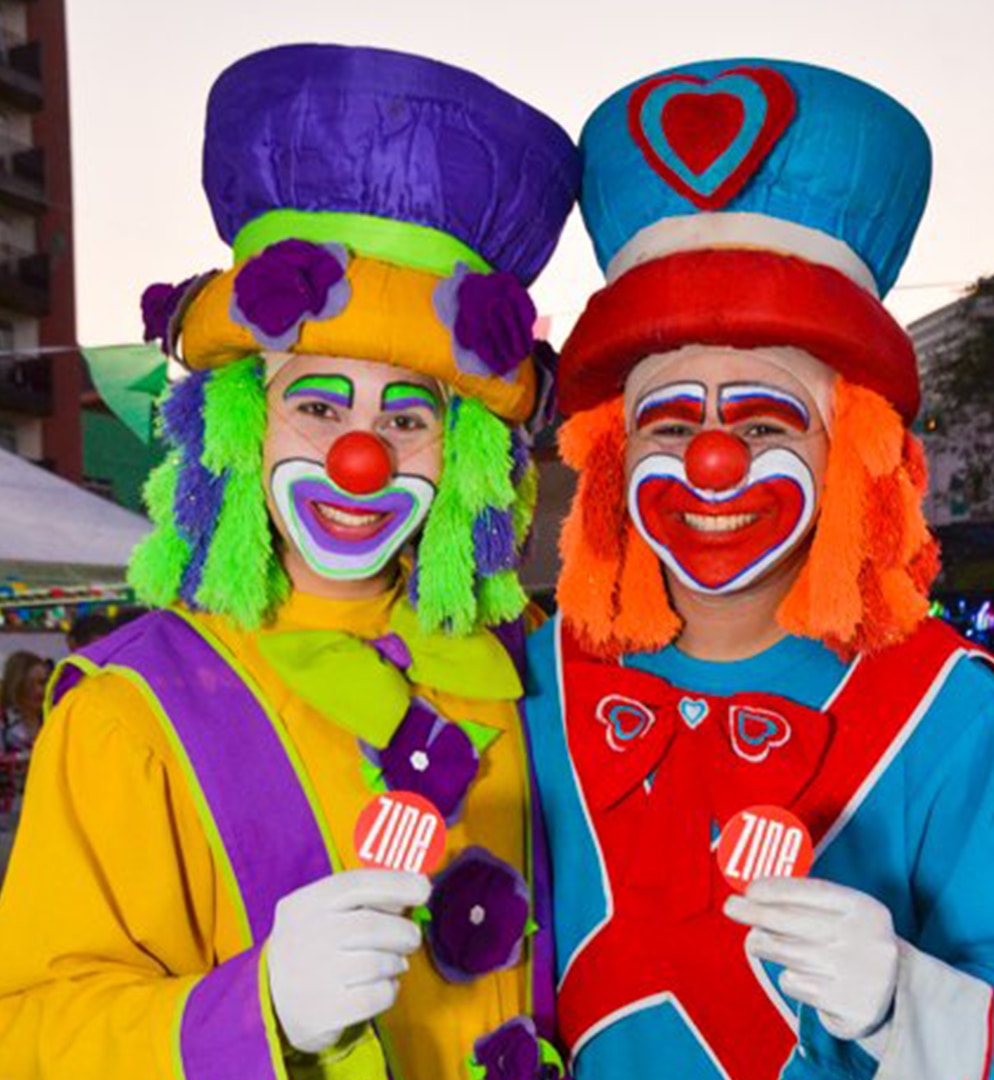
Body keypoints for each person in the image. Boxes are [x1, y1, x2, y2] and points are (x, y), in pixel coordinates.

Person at [0, 45, 578, 1080]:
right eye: (316, 406)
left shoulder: (522, 671)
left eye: (409, 418)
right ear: (239, 426)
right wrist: (251, 1008)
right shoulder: (129, 709)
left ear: (466, 461)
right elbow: (32, 1029)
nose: (361, 458)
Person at [525, 59, 994, 1080]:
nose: (711, 460)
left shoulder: (946, 705)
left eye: (765, 417)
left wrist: (901, 998)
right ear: (610, 457)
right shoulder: (536, 678)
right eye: (672, 418)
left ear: (851, 451)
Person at [0, 649, 47, 756]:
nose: (39, 691)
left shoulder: (52, 716)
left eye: (43, 682)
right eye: (30, 684)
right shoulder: (4, 720)